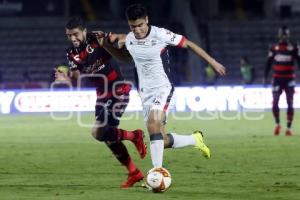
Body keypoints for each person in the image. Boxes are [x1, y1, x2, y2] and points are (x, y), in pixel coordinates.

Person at [99, 4, 226, 169]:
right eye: (133, 26)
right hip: (145, 94)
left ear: (147, 20)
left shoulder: (160, 34)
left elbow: (188, 44)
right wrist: (106, 46)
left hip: (163, 89)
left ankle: (156, 172)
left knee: (153, 124)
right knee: (161, 140)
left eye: (140, 25)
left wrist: (213, 62)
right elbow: (127, 59)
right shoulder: (130, 39)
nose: (137, 30)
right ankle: (194, 139)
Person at [54, 17, 147, 188]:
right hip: (102, 96)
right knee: (106, 137)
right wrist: (65, 79)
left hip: (118, 90)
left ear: (84, 31)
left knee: (99, 132)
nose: (73, 38)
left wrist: (121, 40)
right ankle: (134, 172)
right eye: (69, 36)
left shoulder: (97, 37)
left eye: (75, 34)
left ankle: (135, 136)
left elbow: (118, 38)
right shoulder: (71, 54)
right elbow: (76, 81)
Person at [264, 25, 300, 136]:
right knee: (275, 102)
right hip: (277, 79)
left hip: (289, 79)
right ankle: (277, 124)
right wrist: (265, 76)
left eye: (285, 34)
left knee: (290, 102)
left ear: (288, 35)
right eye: (282, 34)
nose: (284, 36)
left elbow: (299, 62)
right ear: (279, 35)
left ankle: (288, 128)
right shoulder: (274, 48)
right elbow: (268, 63)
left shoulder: (294, 47)